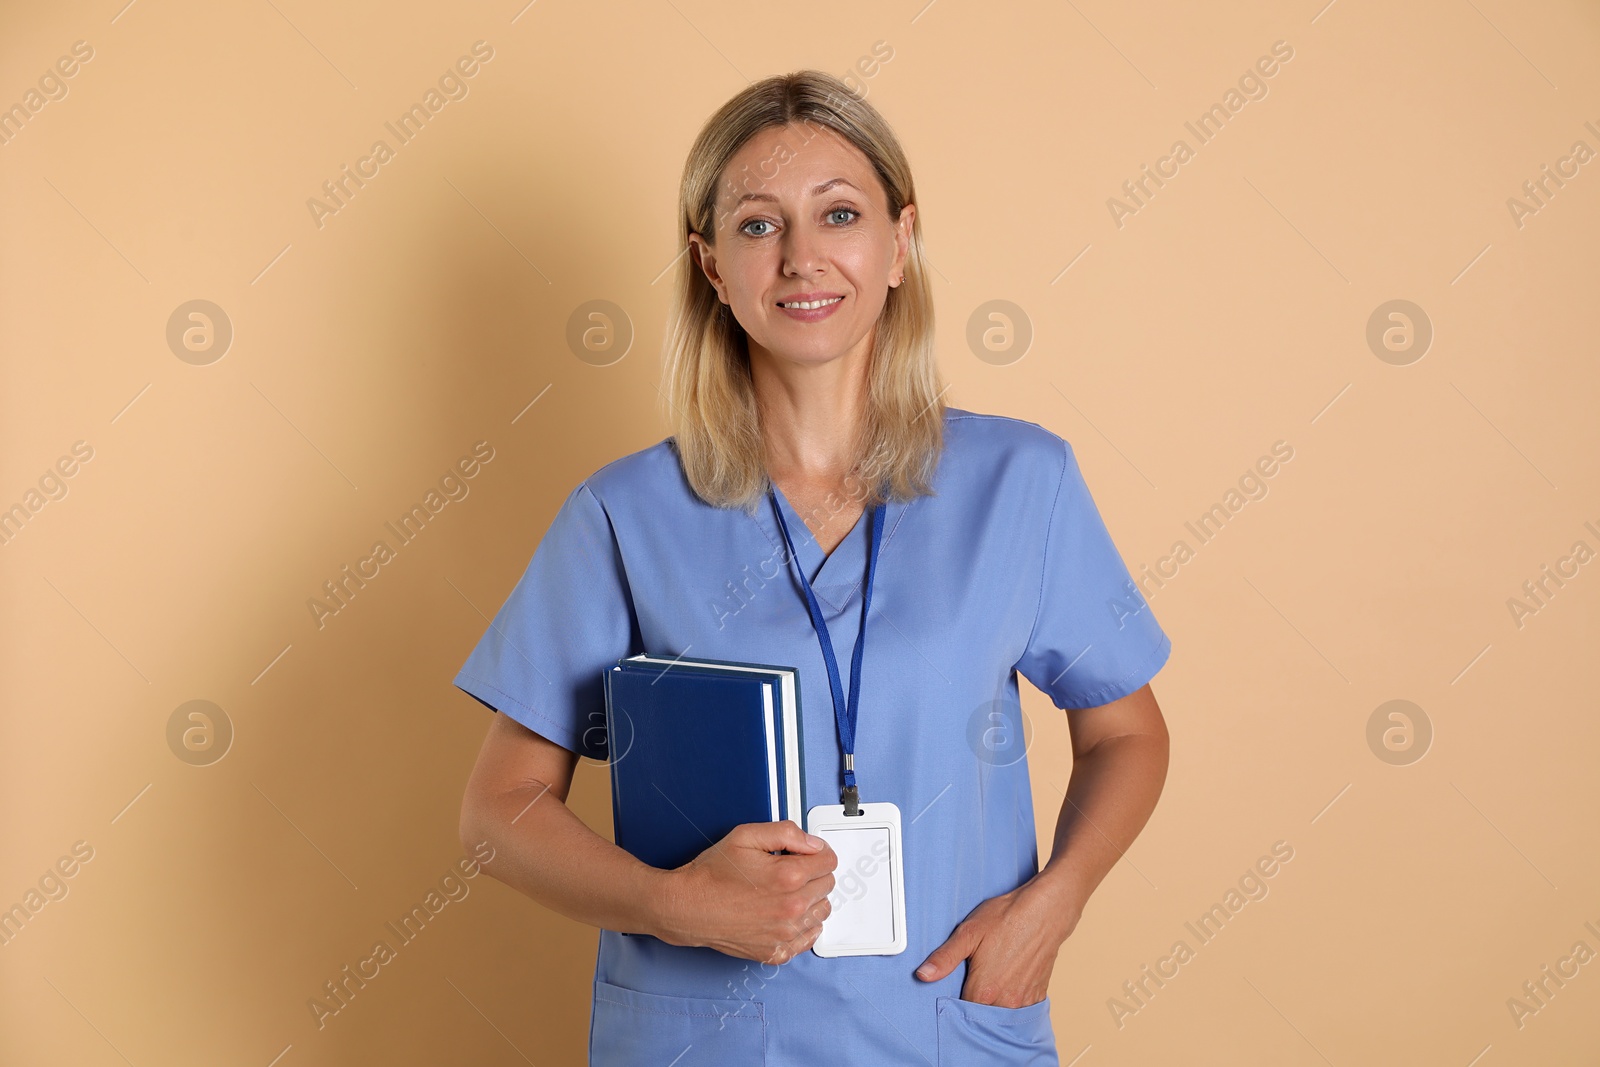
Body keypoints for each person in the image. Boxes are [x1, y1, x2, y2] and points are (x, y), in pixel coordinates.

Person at [454, 69, 1172, 1066]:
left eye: (838, 214)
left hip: (943, 1021)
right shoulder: (623, 514)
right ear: (709, 265)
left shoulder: (1021, 483)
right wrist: (672, 902)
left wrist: (1054, 902)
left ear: (898, 243)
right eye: (757, 226)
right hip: (701, 1034)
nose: (801, 259)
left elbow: (1126, 733)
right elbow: (497, 811)